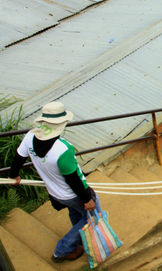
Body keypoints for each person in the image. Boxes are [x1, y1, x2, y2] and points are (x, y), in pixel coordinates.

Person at [9, 102, 101, 263]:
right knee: (93, 218)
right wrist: (87, 199)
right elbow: (73, 179)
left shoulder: (30, 136)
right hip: (74, 194)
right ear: (62, 123)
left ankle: (77, 244)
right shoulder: (63, 149)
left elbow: (18, 158)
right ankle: (62, 250)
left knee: (76, 214)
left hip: (55, 193)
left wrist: (14, 175)